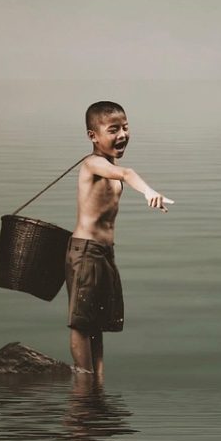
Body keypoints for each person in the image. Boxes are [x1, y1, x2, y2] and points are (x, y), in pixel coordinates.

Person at [67, 101, 171, 381]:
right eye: (113, 129)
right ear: (93, 136)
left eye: (125, 127)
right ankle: (83, 381)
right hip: (85, 251)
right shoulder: (93, 164)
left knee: (98, 321)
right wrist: (149, 191)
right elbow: (128, 173)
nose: (122, 134)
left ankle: (97, 380)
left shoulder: (107, 166)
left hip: (103, 252)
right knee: (80, 323)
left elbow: (121, 173)